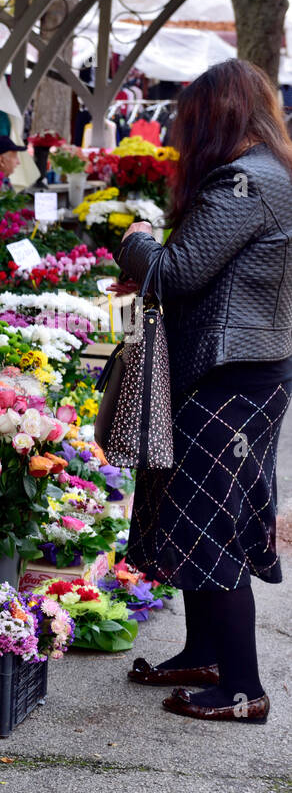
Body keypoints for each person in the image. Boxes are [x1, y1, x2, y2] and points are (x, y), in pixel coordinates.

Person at [117, 58, 292, 724]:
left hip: (231, 378)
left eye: (188, 123)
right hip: (248, 371)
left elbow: (179, 271)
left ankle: (242, 689)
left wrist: (134, 242)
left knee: (211, 524)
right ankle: (207, 654)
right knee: (195, 518)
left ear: (217, 117)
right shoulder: (273, 175)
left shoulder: (244, 182)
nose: (182, 138)